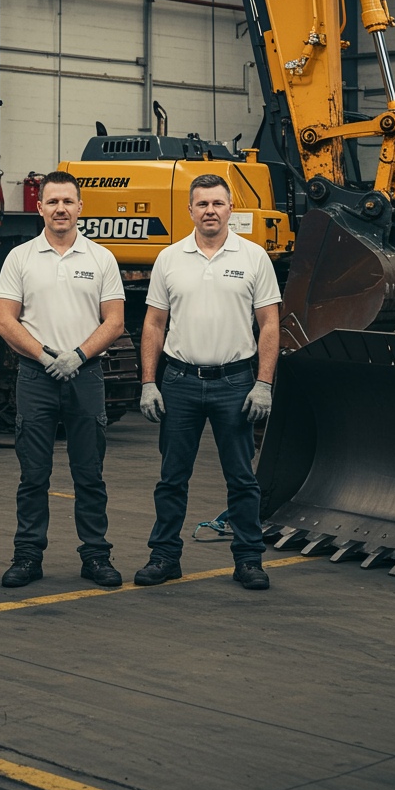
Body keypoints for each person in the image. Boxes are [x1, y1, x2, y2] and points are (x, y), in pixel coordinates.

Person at [137, 173, 281, 592]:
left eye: (218, 203)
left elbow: (269, 324)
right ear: (190, 210)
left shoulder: (254, 257)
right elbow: (154, 324)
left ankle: (249, 560)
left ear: (230, 209)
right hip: (179, 381)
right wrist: (150, 382)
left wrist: (264, 383)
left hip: (236, 383)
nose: (210, 211)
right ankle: (165, 556)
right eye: (202, 204)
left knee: (241, 479)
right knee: (171, 477)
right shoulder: (169, 258)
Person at [0, 170, 125, 589]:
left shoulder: (101, 258)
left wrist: (79, 355)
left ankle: (95, 555)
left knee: (90, 472)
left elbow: (116, 321)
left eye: (68, 201)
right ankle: (28, 556)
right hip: (36, 376)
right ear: (40, 207)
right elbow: (3, 320)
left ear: (80, 207)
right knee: (34, 474)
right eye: (52, 202)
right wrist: (47, 355)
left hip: (85, 376)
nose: (61, 209)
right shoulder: (20, 258)